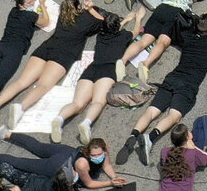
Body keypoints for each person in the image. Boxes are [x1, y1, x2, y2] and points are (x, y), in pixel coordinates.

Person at [114, 14, 207, 166]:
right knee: (173, 116)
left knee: (151, 111)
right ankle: (150, 138)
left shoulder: (188, 37)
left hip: (172, 78)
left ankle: (133, 135)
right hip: (188, 85)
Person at [0, 0, 105, 129]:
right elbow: (103, 21)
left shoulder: (63, 17)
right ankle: (20, 107)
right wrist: (91, 8)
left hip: (45, 48)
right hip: (63, 54)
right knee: (43, 85)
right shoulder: (85, 20)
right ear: (78, 8)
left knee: (22, 81)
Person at [51, 10, 142, 144]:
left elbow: (113, 28)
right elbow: (136, 31)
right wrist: (138, 18)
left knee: (77, 103)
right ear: (117, 26)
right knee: (98, 102)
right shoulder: (123, 36)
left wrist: (126, 19)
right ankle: (86, 123)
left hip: (92, 69)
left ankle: (59, 119)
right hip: (108, 70)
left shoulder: (101, 36)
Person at [111, 0, 204, 79]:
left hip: (161, 8)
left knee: (144, 40)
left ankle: (123, 60)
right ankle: (145, 64)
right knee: (163, 42)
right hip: (176, 13)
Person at [0, 133, 129, 191]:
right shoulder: (83, 164)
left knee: (38, 147)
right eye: (94, 155)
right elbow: (89, 184)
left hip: (66, 151)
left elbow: (107, 165)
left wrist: (114, 176)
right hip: (58, 165)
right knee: (23, 163)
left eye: (100, 154)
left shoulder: (103, 148)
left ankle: (7, 134)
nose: (99, 157)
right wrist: (110, 184)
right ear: (88, 152)